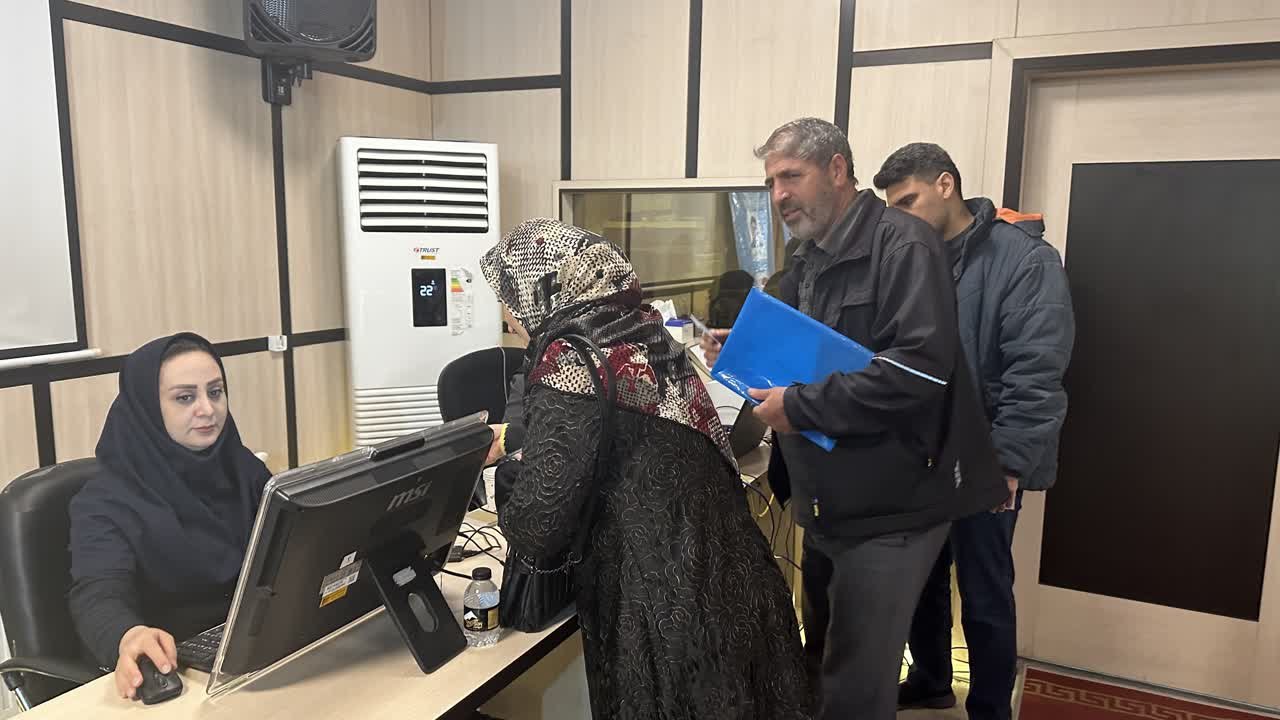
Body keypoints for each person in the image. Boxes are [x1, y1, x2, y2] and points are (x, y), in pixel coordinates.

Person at [702, 118, 1005, 719]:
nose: (779, 195)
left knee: (855, 687)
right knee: (822, 664)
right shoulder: (806, 258)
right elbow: (811, 347)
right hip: (828, 502)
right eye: (771, 182)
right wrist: (743, 345)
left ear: (837, 170)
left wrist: (798, 406)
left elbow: (918, 372)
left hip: (892, 505)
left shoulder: (905, 245)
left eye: (791, 176)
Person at [479, 218, 810, 720]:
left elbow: (537, 525)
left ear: (538, 288)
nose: (509, 316)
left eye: (507, 297)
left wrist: (509, 481)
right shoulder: (647, 334)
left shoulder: (572, 358)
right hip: (736, 583)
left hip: (663, 615)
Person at [873, 142, 1075, 720]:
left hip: (986, 456)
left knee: (984, 591)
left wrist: (1009, 462)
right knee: (922, 580)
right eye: (893, 207)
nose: (900, 217)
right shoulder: (911, 259)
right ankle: (932, 679)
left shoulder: (1024, 260)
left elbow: (1036, 371)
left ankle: (989, 708)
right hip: (920, 453)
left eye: (908, 201)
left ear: (946, 185)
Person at [68, 333, 270, 700]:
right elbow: (98, 594)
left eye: (215, 392)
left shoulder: (245, 471)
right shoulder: (104, 501)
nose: (208, 409)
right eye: (185, 398)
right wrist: (128, 635)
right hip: (175, 676)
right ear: (147, 407)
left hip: (253, 657)